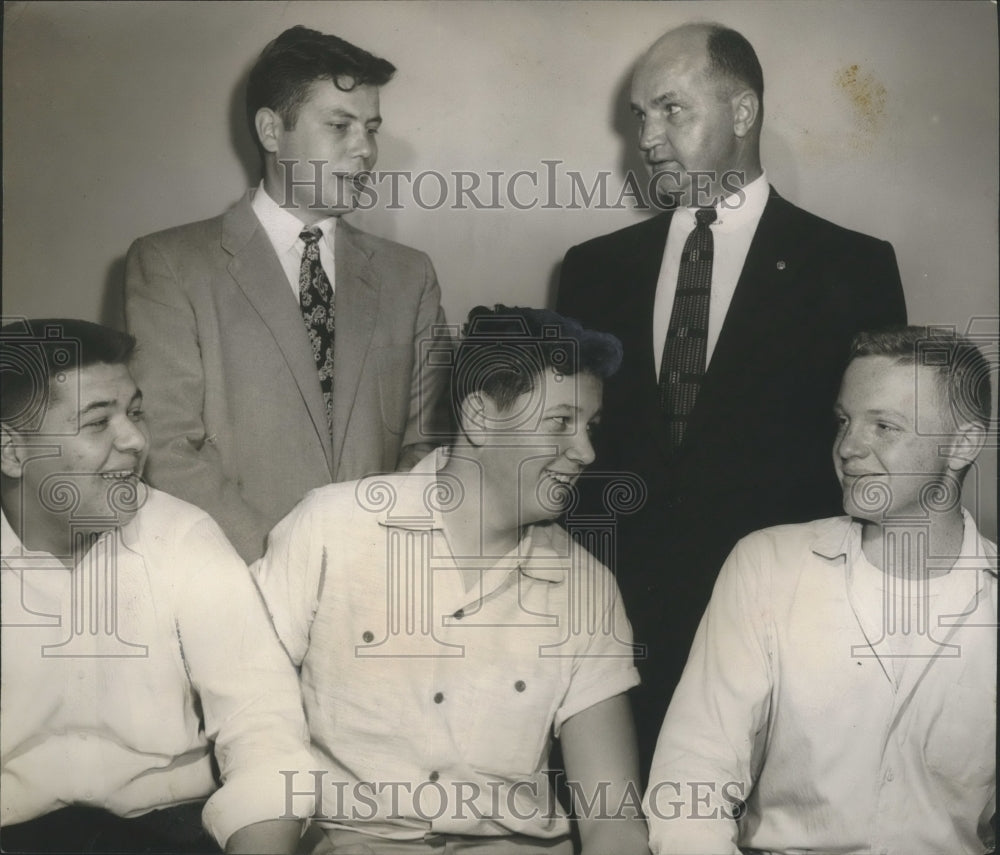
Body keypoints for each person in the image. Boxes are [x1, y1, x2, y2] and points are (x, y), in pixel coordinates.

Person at [555, 21, 907, 771]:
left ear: (743, 113)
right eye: (638, 115)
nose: (647, 136)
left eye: (671, 109)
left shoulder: (853, 267)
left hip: (786, 637)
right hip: (616, 642)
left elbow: (880, 463)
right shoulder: (591, 271)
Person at [253, 306, 649, 854]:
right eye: (561, 422)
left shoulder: (588, 587)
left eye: (590, 427)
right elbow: (245, 727)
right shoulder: (331, 528)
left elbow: (612, 820)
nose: (586, 452)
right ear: (481, 417)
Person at [644, 327, 995, 855]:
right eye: (844, 421)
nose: (849, 447)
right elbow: (692, 776)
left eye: (884, 426)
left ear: (964, 443)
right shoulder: (768, 564)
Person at [125, 25, 450, 563]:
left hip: (374, 580)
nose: (366, 149)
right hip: (234, 583)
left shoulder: (409, 275)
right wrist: (287, 565)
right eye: (339, 125)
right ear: (272, 131)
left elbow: (427, 444)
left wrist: (366, 557)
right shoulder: (170, 264)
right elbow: (167, 448)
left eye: (371, 128)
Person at [0, 319, 317, 854]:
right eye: (98, 422)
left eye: (136, 413)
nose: (136, 440)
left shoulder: (183, 535)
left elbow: (263, 725)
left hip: (171, 830)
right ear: (11, 452)